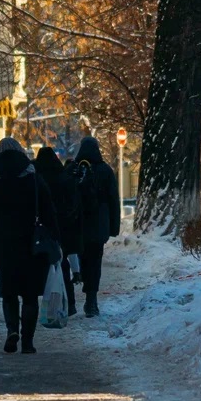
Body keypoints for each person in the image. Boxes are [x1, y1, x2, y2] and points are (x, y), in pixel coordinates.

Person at [0, 138, 60, 354]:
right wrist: (54, 237)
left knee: (8, 292)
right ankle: (28, 341)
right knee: (30, 293)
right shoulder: (33, 176)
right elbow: (48, 209)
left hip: (4, 242)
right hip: (31, 241)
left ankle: (12, 330)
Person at [70, 135, 120, 317]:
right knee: (95, 262)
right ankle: (91, 302)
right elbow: (114, 200)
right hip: (98, 226)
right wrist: (114, 227)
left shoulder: (73, 169)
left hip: (77, 225)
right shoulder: (105, 170)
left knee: (77, 259)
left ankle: (72, 301)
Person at [34, 146, 81, 317]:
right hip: (62, 226)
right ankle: (70, 303)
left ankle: (44, 302)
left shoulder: (36, 178)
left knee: (42, 265)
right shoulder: (63, 177)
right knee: (62, 264)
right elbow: (73, 202)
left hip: (41, 228)